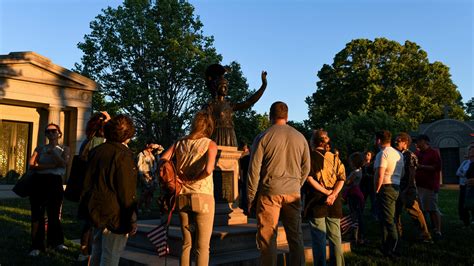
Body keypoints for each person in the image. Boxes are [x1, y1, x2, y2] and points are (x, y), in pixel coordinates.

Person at [247, 101, 310, 266]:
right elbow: (306, 167)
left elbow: (253, 171)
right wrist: (297, 184)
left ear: (270, 116)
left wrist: (251, 197)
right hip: (293, 192)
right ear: (287, 116)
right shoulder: (300, 137)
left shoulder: (263, 137)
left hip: (269, 192)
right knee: (296, 236)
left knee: (267, 239)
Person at [160, 111, 218, 266]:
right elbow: (208, 170)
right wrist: (193, 178)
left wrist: (176, 176)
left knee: (186, 243)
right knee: (202, 246)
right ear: (209, 126)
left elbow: (163, 158)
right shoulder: (210, 144)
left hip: (182, 196)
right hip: (203, 196)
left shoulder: (179, 142)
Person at [83, 114, 138, 266]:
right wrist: (132, 217)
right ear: (128, 134)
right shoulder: (123, 155)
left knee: (97, 252)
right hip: (115, 214)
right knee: (110, 256)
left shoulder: (96, 151)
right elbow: (126, 191)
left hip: (96, 209)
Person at [27, 123, 71, 257]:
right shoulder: (40, 148)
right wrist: (52, 165)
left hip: (55, 182)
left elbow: (64, 164)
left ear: (59, 133)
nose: (51, 134)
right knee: (37, 215)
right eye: (48, 132)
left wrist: (54, 153)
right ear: (45, 134)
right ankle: (37, 246)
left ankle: (56, 242)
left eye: (54, 131)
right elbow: (31, 165)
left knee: (54, 213)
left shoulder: (64, 148)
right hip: (39, 182)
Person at [304, 129, 345, 266]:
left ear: (313, 142)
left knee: (318, 238)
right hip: (334, 201)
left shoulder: (309, 157)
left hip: (316, 201)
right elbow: (341, 179)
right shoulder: (335, 157)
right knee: (335, 237)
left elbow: (309, 179)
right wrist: (333, 194)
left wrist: (327, 193)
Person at [204, 63, 267, 147]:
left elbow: (249, 102)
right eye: (223, 86)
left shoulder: (229, 105)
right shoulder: (210, 106)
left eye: (226, 86)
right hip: (216, 137)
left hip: (230, 136)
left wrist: (263, 85)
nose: (225, 88)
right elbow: (203, 126)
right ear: (216, 87)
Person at [76, 111, 110, 262]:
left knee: (87, 221)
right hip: (98, 186)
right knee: (94, 222)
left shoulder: (86, 141)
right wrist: (109, 119)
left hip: (86, 185)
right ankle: (89, 253)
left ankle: (84, 251)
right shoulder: (101, 143)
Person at [394, 132, 432, 243]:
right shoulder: (397, 154)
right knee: (396, 212)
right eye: (396, 139)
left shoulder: (409, 155)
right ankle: (397, 234)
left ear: (405, 143)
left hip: (407, 187)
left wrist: (408, 187)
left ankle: (425, 235)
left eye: (399, 140)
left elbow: (411, 172)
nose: (396, 141)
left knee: (414, 211)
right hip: (398, 186)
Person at [374, 130, 404, 258]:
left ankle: (394, 245)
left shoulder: (382, 154)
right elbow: (402, 173)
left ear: (379, 140)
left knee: (388, 219)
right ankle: (386, 247)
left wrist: (376, 190)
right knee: (386, 218)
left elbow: (380, 174)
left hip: (386, 187)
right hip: (396, 186)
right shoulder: (399, 154)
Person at [415, 134, 442, 240]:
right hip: (419, 185)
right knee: (423, 209)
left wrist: (422, 167)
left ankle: (438, 230)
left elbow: (437, 167)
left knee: (433, 209)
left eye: (418, 141)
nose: (416, 143)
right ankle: (428, 228)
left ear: (425, 141)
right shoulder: (417, 153)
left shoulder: (433, 153)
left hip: (430, 185)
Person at [343, 152, 365, 245]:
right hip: (358, 194)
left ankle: (356, 236)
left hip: (354, 195)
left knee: (354, 215)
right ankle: (359, 236)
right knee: (357, 215)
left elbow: (347, 182)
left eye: (351, 162)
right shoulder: (360, 170)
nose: (350, 164)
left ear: (354, 162)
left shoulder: (355, 173)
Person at [137, 140, 163, 213]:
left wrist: (157, 146)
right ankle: (139, 207)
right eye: (151, 146)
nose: (152, 148)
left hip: (153, 175)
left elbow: (161, 150)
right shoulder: (141, 154)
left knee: (150, 193)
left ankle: (147, 207)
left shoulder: (152, 154)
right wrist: (143, 175)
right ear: (147, 145)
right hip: (145, 175)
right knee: (144, 192)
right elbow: (139, 166)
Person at [456, 145, 474, 227]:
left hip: (471, 186)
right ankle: (466, 221)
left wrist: (464, 174)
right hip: (464, 186)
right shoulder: (466, 162)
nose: (471, 152)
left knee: (471, 204)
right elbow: (458, 172)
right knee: (463, 205)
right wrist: (464, 174)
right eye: (470, 150)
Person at [360, 151, 376, 218]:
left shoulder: (373, 165)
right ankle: (360, 212)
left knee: (373, 199)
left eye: (368, 154)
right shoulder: (361, 165)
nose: (367, 155)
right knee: (362, 198)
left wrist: (369, 175)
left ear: (371, 156)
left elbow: (375, 175)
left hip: (371, 184)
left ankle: (374, 213)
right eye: (366, 154)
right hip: (363, 184)